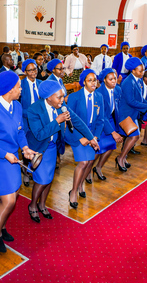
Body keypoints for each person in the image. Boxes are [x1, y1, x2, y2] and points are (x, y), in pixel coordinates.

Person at [0, 71, 37, 253]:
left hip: (11, 156)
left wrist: (25, 148)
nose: (21, 89)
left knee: (14, 193)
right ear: (10, 90)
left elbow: (19, 131)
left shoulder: (17, 106)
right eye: (19, 86)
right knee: (9, 200)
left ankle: (1, 224)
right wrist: (5, 154)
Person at [26, 80, 88, 221]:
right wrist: (57, 121)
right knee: (41, 180)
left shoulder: (61, 106)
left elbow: (76, 121)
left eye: (62, 96)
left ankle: (42, 204)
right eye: (59, 97)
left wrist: (91, 138)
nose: (62, 100)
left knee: (49, 179)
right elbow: (39, 134)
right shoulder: (34, 109)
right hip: (39, 149)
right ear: (48, 97)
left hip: (52, 148)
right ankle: (33, 205)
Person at [65, 70, 102, 205]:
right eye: (90, 80)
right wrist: (81, 137)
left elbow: (101, 120)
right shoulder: (74, 97)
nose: (93, 82)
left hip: (92, 135)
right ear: (84, 82)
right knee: (83, 163)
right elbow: (69, 120)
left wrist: (95, 137)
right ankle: (73, 191)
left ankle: (80, 184)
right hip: (77, 134)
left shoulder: (99, 96)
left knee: (90, 162)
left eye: (95, 79)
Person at [116, 58, 147, 171]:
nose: (142, 73)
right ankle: (120, 158)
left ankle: (123, 157)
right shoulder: (128, 82)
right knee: (134, 136)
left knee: (133, 137)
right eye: (140, 71)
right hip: (126, 114)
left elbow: (139, 98)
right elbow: (130, 101)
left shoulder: (136, 80)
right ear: (133, 70)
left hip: (132, 113)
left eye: (143, 70)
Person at [94, 68, 123, 179]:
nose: (114, 81)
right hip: (99, 123)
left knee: (111, 146)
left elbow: (118, 108)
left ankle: (98, 167)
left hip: (110, 119)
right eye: (110, 79)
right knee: (98, 150)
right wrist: (113, 132)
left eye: (115, 78)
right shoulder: (98, 93)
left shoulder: (117, 90)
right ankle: (87, 173)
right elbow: (101, 116)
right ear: (104, 80)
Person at [19, 59, 42, 186]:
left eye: (35, 69)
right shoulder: (21, 85)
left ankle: (34, 168)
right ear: (25, 72)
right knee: (26, 146)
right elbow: (18, 106)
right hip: (26, 120)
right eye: (30, 70)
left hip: (39, 121)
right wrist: (31, 114)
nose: (34, 72)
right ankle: (26, 170)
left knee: (37, 145)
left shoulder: (40, 83)